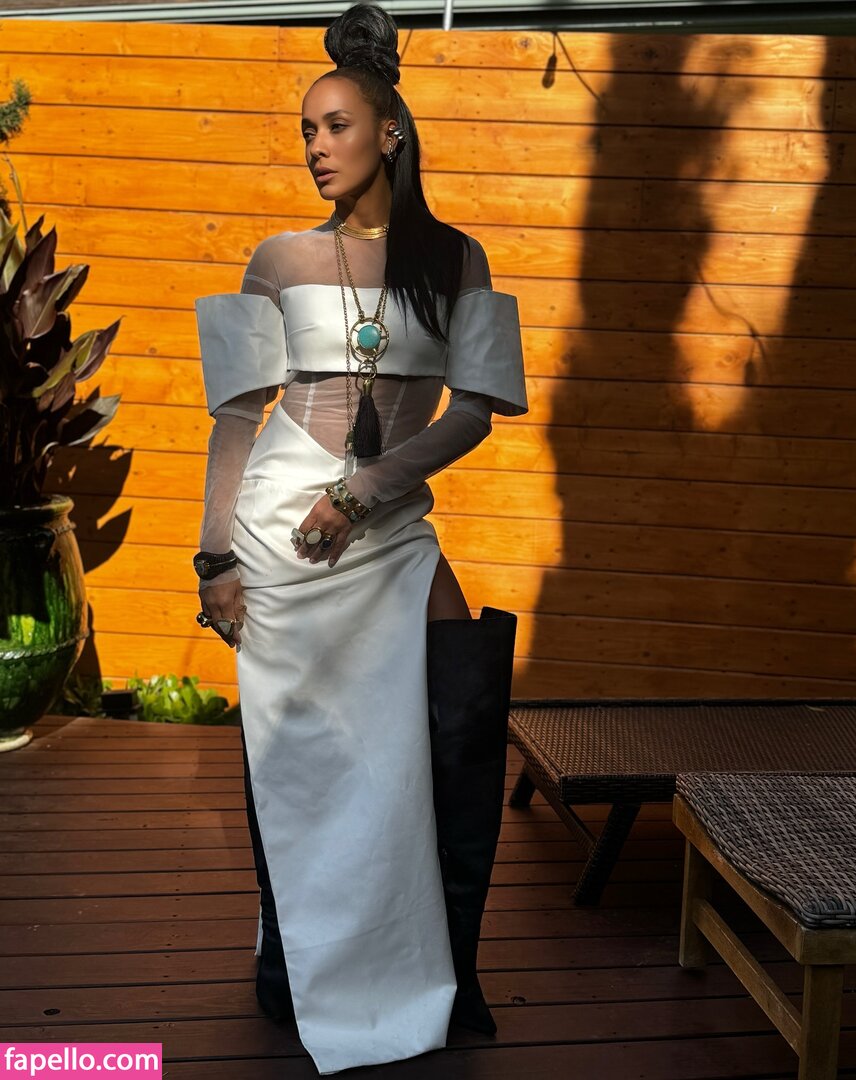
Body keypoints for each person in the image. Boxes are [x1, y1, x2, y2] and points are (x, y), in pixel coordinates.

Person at [192, 4, 528, 1074]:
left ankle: (440, 967)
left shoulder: (456, 258)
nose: (316, 147)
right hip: (282, 525)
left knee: (456, 720)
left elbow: (474, 412)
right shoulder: (279, 258)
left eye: (336, 125)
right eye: (306, 129)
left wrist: (367, 491)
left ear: (390, 130)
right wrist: (214, 556)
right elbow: (237, 416)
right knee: (302, 759)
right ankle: (294, 972)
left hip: (383, 521)